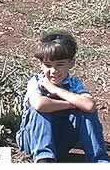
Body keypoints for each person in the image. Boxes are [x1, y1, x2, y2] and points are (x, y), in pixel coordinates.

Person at [16, 29, 110, 163]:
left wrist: (56, 90)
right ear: (41, 64)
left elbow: (90, 106)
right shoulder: (36, 82)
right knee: (40, 112)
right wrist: (73, 103)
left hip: (60, 141)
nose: (53, 71)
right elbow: (40, 104)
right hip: (32, 141)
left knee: (86, 113)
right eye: (48, 65)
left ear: (71, 63)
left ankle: (99, 160)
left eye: (60, 65)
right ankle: (44, 159)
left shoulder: (74, 83)